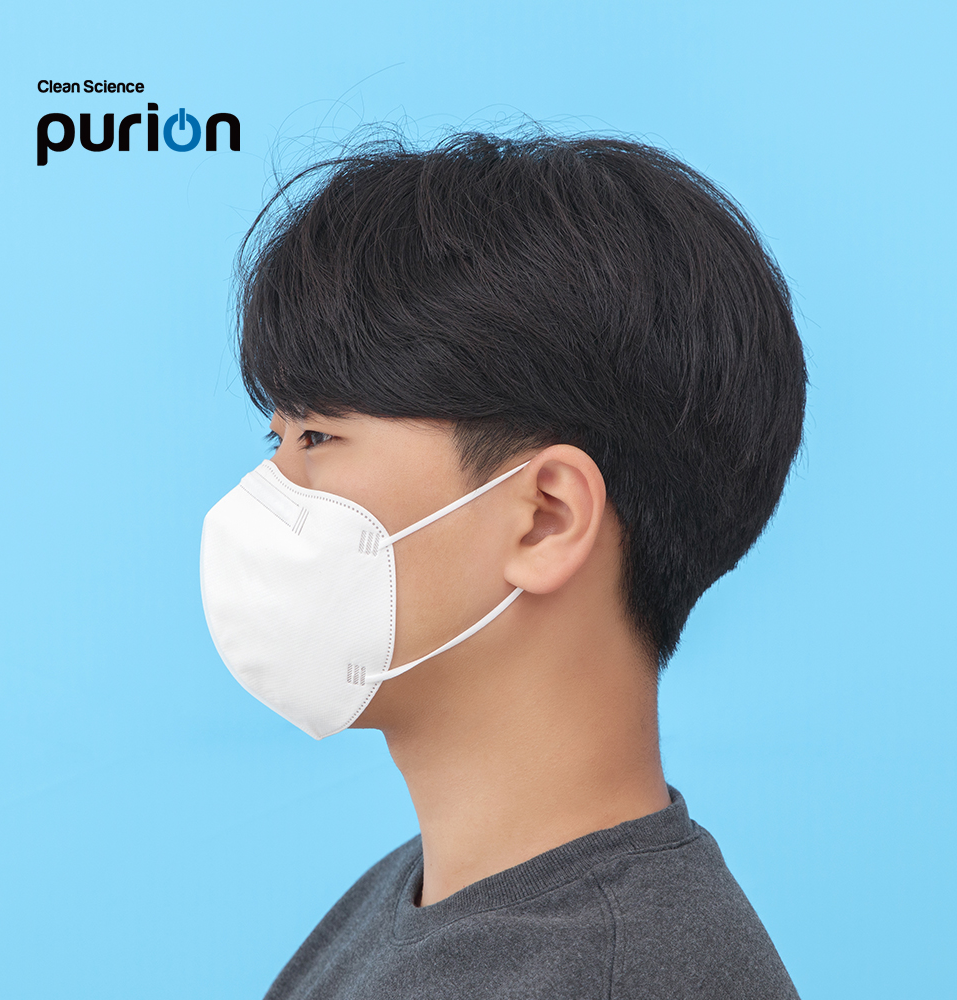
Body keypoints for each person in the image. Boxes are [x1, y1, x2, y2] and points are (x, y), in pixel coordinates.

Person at [199, 129, 806, 999]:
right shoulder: (419, 898)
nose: (267, 493)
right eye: (277, 439)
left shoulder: (615, 976)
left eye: (318, 438)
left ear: (547, 517)